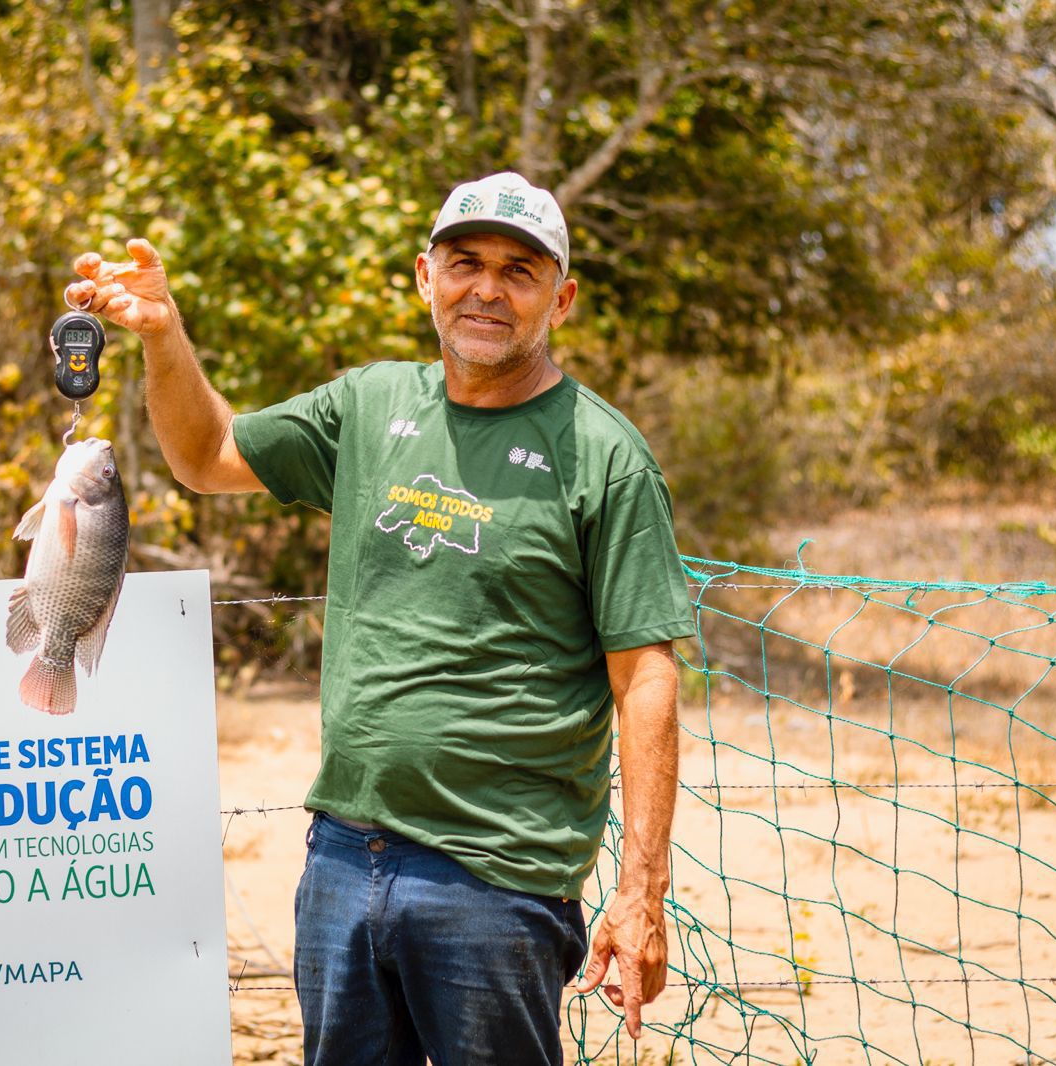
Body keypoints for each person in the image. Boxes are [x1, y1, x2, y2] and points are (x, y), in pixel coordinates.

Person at [66, 172, 695, 1065]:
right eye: (464, 262)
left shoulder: (604, 455)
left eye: (519, 271)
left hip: (498, 883)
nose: (486, 288)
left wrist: (641, 891)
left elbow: (646, 679)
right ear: (422, 276)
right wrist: (164, 339)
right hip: (340, 863)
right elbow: (206, 453)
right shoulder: (369, 406)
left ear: (563, 297)